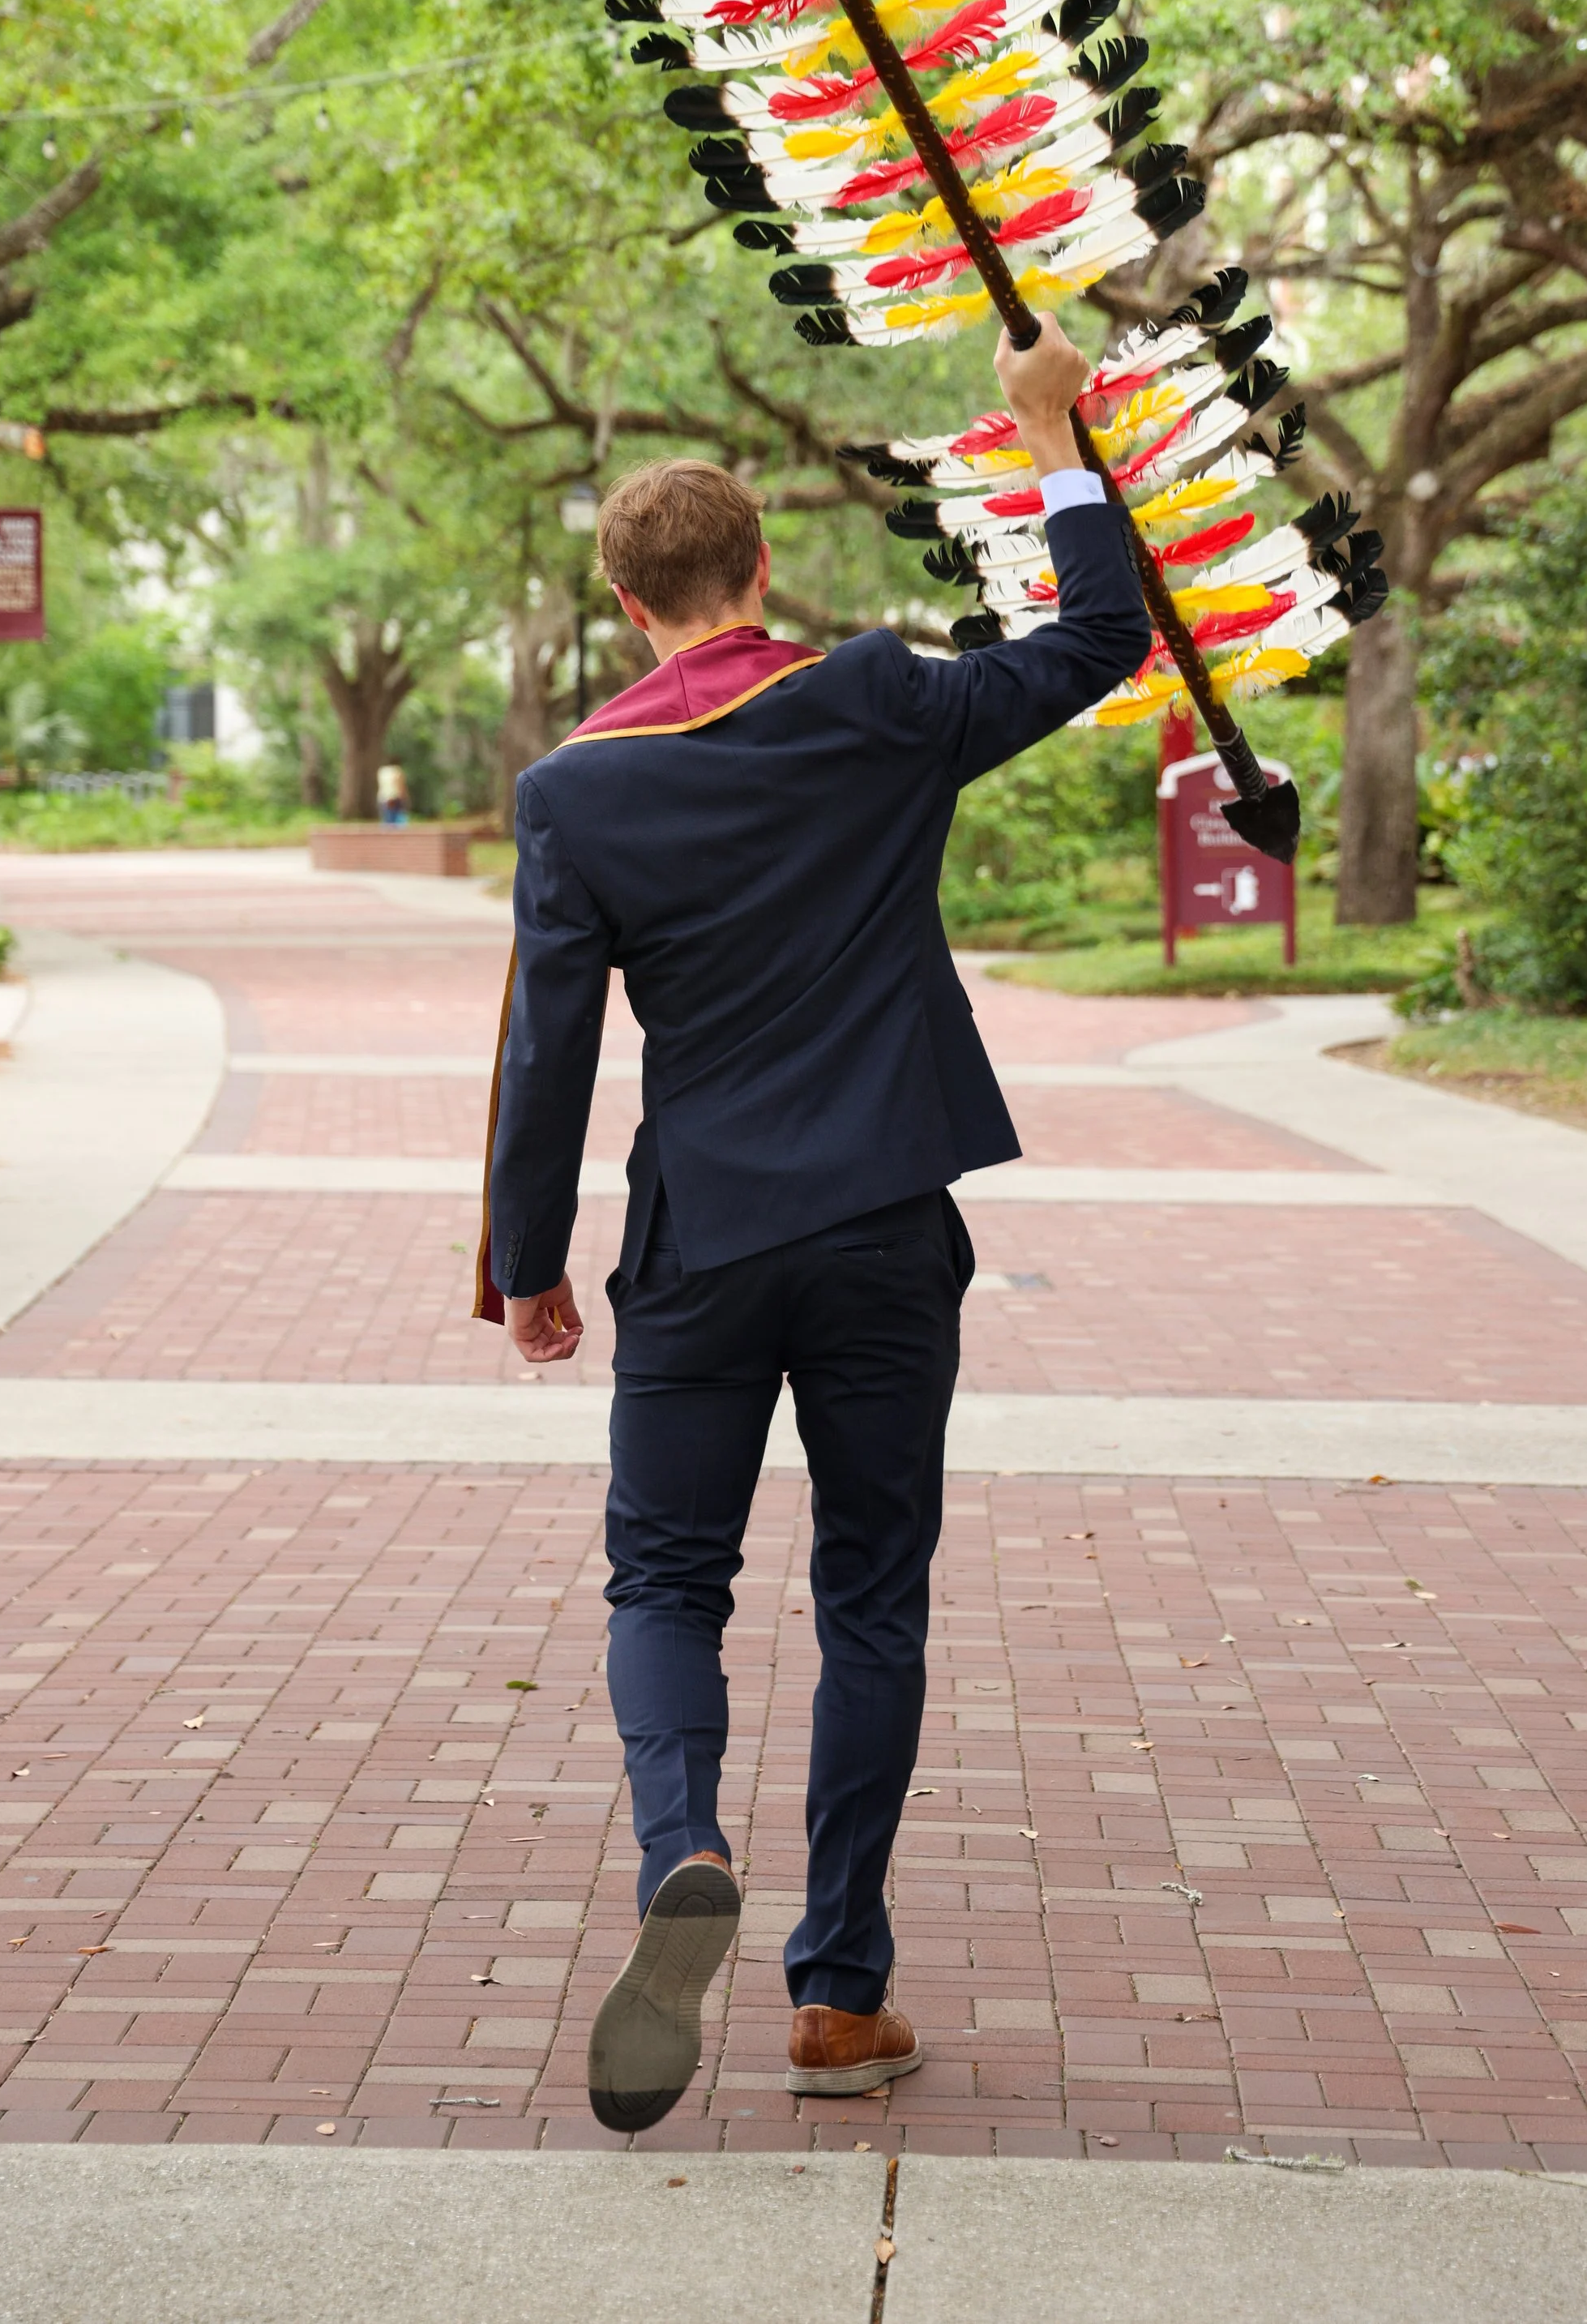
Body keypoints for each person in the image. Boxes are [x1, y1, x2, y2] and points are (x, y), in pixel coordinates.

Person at [480, 312, 1150, 2134]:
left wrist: (528, 1264)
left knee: (663, 1580)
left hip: (700, 1239)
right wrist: (1048, 431)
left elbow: (549, 1049)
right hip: (879, 1230)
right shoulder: (874, 699)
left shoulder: (576, 790)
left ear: (628, 602)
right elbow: (1098, 638)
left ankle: (682, 1849)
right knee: (869, 1591)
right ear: (760, 565)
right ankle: (839, 1995)